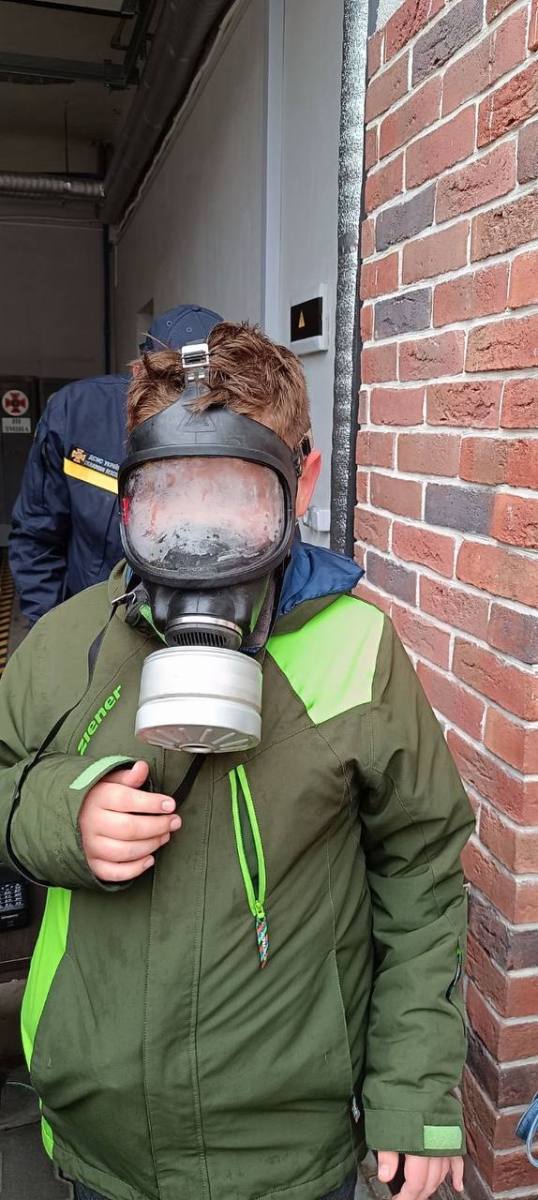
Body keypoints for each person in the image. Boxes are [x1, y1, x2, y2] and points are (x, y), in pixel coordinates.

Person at [0, 322, 474, 1200]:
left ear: (302, 485)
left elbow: (422, 873)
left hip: (290, 1156)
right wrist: (63, 816)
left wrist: (415, 1091)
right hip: (102, 1143)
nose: (202, 538)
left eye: (237, 499)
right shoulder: (68, 647)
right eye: (173, 498)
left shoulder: (357, 650)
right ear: (129, 500)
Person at [8, 304, 222, 625]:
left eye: (206, 387)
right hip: (94, 622)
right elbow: (37, 536)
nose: (188, 404)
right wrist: (51, 632)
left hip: (193, 628)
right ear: (138, 374)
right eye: (172, 384)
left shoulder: (245, 423)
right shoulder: (77, 414)